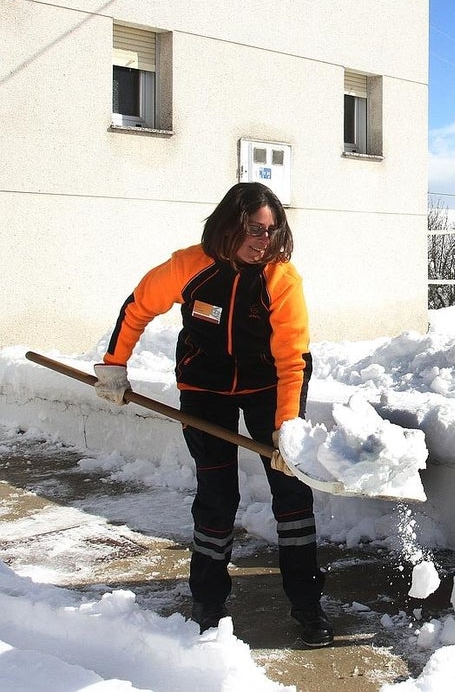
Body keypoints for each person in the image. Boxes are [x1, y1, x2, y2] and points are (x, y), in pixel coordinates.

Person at [93, 182, 333, 648]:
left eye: (272, 230)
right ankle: (208, 601)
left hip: (267, 386)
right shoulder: (189, 266)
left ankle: (307, 603)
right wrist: (114, 366)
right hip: (205, 389)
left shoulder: (281, 279)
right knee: (217, 494)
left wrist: (286, 429)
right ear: (228, 225)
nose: (263, 240)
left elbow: (293, 360)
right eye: (254, 229)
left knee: (291, 492)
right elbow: (138, 307)